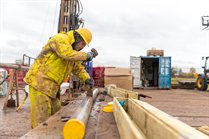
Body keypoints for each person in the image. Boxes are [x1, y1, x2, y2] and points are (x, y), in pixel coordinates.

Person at [23, 28, 97, 128]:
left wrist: (86, 78)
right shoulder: (60, 39)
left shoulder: (73, 51)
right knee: (41, 119)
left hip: (52, 87)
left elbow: (78, 68)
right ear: (77, 38)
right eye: (82, 44)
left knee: (56, 114)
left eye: (84, 45)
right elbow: (66, 54)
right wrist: (87, 56)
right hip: (39, 83)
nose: (82, 47)